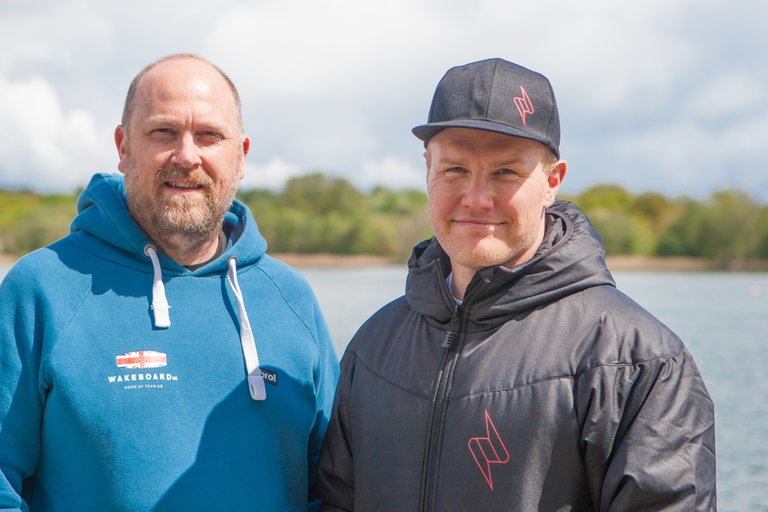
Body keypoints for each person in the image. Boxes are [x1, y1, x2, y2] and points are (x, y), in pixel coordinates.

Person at [317, 58, 716, 511]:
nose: (476, 198)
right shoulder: (374, 347)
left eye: (506, 172)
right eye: (455, 170)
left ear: (552, 182)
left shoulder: (637, 359)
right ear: (426, 170)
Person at [0, 54, 339, 511]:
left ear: (241, 155)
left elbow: (336, 485)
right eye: (163, 132)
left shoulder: (291, 298)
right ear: (123, 148)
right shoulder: (42, 288)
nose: (186, 156)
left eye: (209, 136)